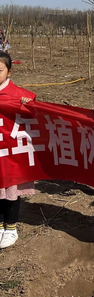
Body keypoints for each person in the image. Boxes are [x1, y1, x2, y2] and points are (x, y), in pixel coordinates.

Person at [0, 51, 36, 249]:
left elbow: (36, 115)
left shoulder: (19, 95)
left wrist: (28, 106)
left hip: (11, 154)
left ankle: (11, 227)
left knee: (12, 191)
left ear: (10, 72)